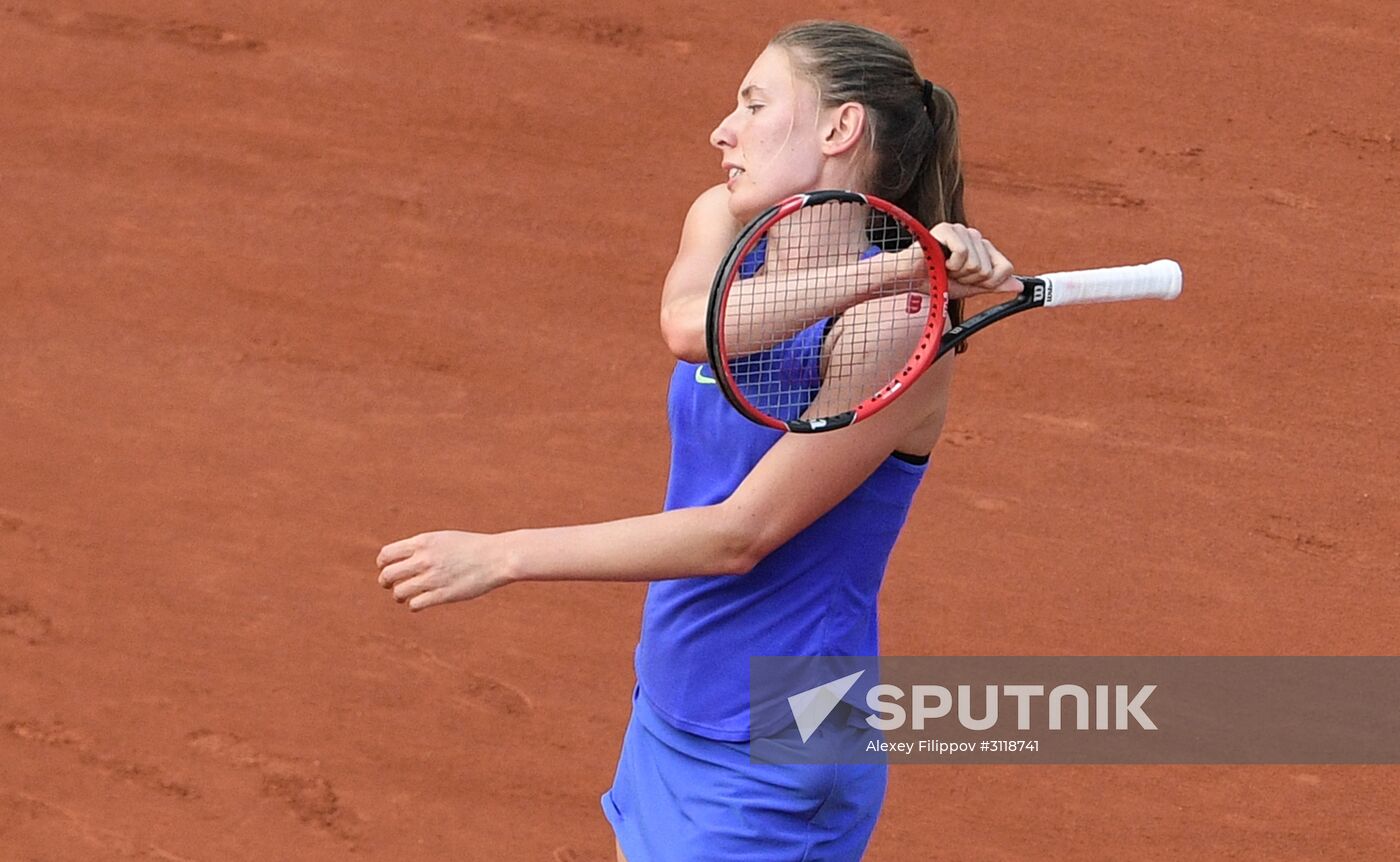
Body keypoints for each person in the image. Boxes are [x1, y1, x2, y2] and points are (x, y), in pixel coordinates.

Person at [377, 20, 1018, 862]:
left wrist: (505, 554)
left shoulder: (899, 327)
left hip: (778, 744)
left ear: (840, 128)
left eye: (755, 104)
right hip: (671, 701)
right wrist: (899, 263)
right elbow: (692, 328)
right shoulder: (725, 219)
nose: (723, 130)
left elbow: (739, 535)